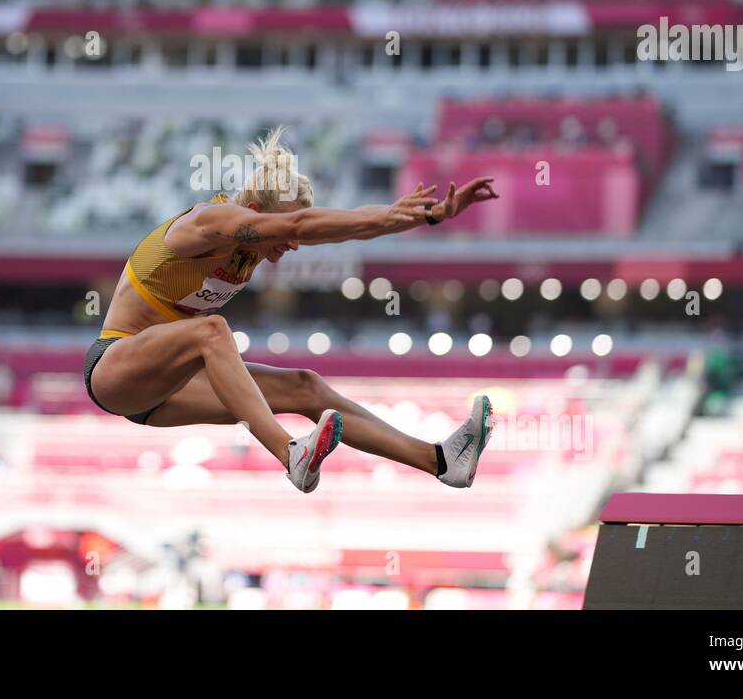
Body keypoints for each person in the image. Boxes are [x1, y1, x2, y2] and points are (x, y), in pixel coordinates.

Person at [84, 127, 499, 493]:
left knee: (306, 386)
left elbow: (346, 223)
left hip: (166, 390)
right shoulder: (209, 224)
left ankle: (442, 460)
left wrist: (422, 216)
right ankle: (289, 454)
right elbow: (300, 226)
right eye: (284, 228)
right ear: (257, 214)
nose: (293, 244)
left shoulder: (252, 246)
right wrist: (401, 216)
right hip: (115, 369)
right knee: (211, 331)